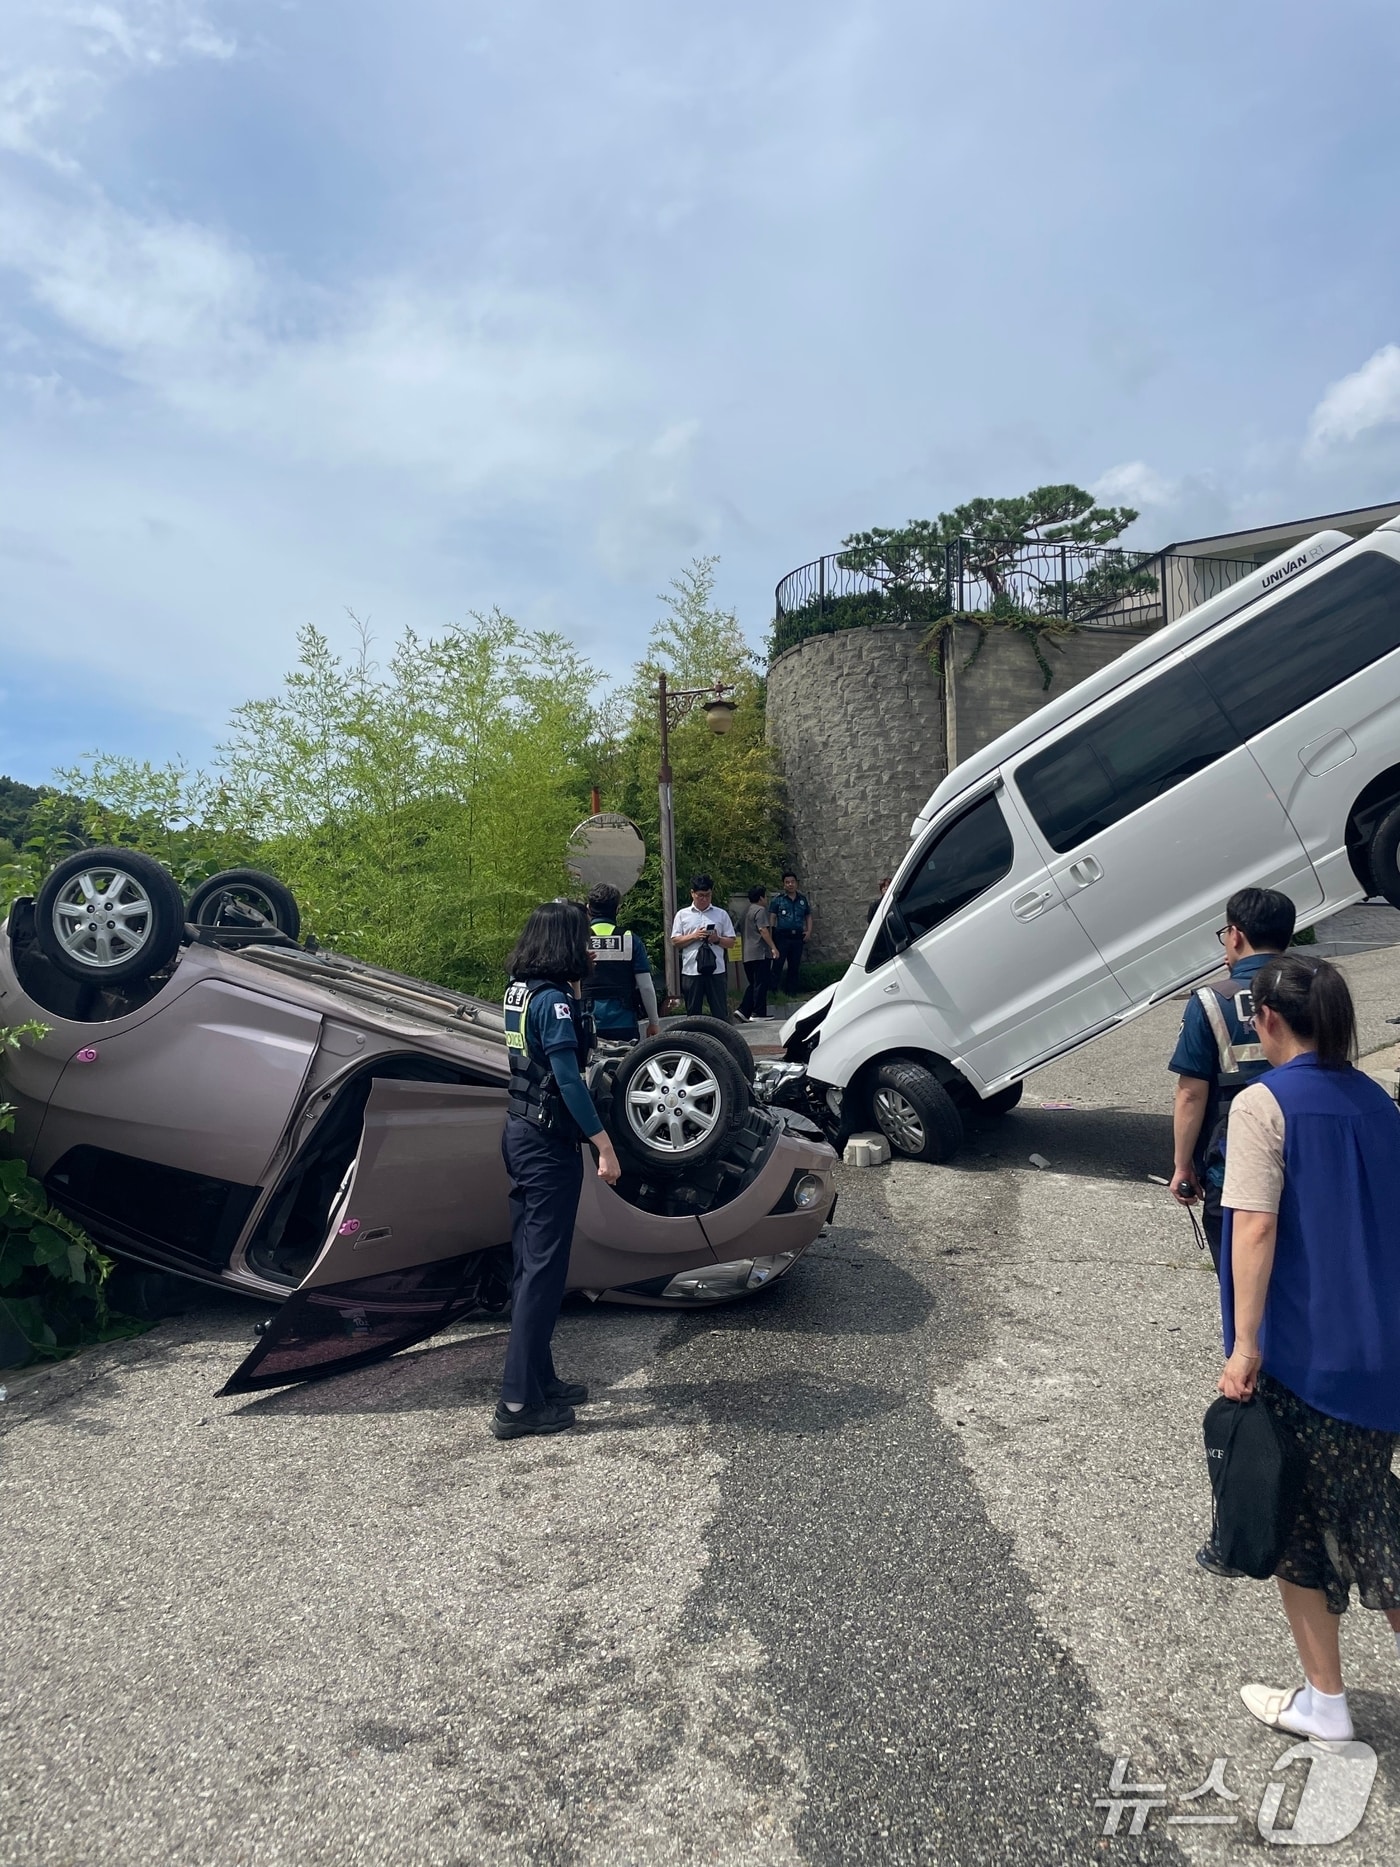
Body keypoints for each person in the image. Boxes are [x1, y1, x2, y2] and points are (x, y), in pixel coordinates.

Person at [1213, 953, 1400, 1742]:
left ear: (1266, 1020)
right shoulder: (1379, 1103)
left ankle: (1326, 1701)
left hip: (1306, 1356)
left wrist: (1244, 1346)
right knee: (1362, 1513)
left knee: (1334, 1526)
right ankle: (1321, 1697)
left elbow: (1253, 1224)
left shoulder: (1262, 1105)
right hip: (1380, 1349)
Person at [496, 901, 622, 1441]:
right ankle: (518, 1404)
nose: (591, 950)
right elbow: (569, 1082)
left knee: (532, 1265)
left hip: (519, 1132)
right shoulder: (555, 1004)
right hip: (547, 1145)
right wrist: (604, 1145)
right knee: (543, 1274)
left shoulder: (519, 993)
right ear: (564, 946)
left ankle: (540, 1379)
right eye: (583, 941)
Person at [1167, 887, 1296, 1269]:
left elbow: (1191, 1093)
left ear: (1235, 935)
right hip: (1309, 1155)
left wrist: (1182, 1165)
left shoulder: (1212, 1000)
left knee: (1244, 1288)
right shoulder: (1318, 985)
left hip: (1234, 1165)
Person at [583, 883, 660, 1044]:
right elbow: (645, 986)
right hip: (623, 1023)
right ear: (618, 909)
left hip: (586, 1023)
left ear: (588, 908)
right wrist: (654, 1022)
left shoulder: (578, 938)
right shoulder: (630, 939)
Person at [669, 873, 735, 1019]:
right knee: (693, 1013)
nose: (704, 899)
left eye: (708, 895)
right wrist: (694, 936)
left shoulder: (721, 914)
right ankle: (695, 1040)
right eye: (700, 895)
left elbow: (731, 942)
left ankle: (721, 1040)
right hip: (691, 970)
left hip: (716, 969)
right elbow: (675, 941)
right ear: (692, 893)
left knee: (719, 1012)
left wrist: (717, 939)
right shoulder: (682, 915)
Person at [734, 884, 779, 1022]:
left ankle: (743, 1010)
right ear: (761, 897)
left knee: (754, 983)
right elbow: (763, 930)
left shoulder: (745, 911)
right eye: (765, 896)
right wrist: (773, 947)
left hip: (747, 953)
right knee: (761, 983)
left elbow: (736, 928)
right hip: (760, 952)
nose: (766, 899)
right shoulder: (760, 910)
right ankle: (759, 1013)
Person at [770, 871, 812, 997]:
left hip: (798, 937)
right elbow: (772, 917)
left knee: (794, 966)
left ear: (796, 883)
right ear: (783, 885)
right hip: (782, 936)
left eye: (792, 882)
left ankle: (792, 993)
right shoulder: (778, 900)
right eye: (787, 882)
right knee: (778, 965)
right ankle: (773, 992)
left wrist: (809, 931)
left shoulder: (802, 900)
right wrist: (772, 933)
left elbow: (808, 916)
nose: (790, 885)